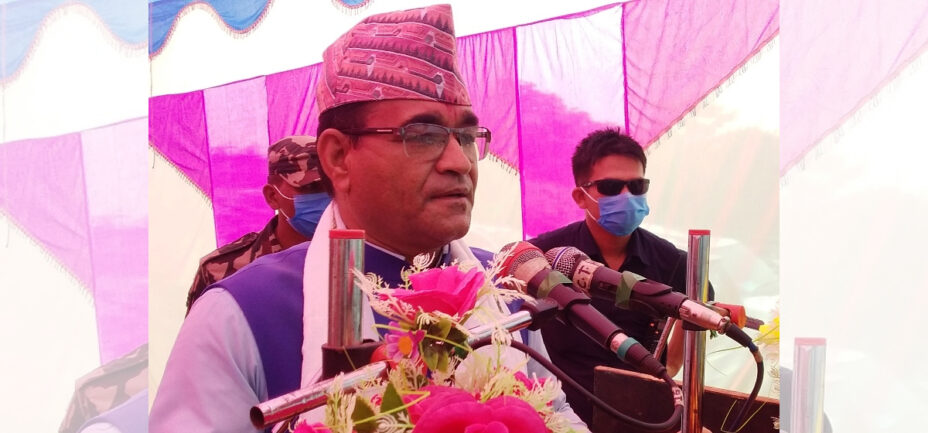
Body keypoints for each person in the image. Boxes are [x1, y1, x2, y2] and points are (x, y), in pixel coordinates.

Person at [151, 5, 586, 432]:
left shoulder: (501, 292)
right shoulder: (243, 313)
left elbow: (556, 414)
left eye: (467, 136)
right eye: (424, 135)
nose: (459, 162)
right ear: (339, 157)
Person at [529, 128, 714, 424]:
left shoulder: (675, 264)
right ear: (580, 196)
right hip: (558, 418)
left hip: (641, 420)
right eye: (612, 187)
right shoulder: (543, 255)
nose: (627, 197)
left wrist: (667, 372)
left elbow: (681, 350)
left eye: (637, 186)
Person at [184, 136, 330, 312]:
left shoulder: (352, 258)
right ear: (272, 196)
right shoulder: (221, 271)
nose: (326, 197)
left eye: (331, 187)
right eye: (311, 188)